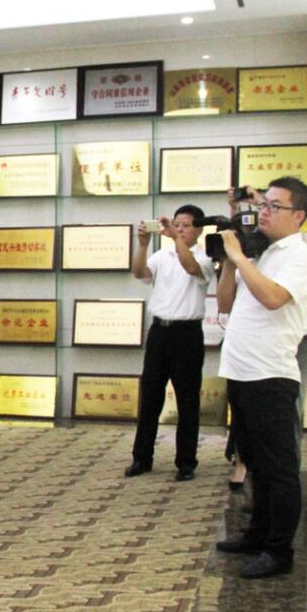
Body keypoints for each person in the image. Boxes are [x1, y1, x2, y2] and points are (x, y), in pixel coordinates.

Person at [214, 177, 307, 579]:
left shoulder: (301, 255)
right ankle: (257, 535)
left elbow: (274, 298)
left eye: (275, 206)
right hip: (241, 371)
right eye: (264, 204)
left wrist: (239, 258)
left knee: (279, 467)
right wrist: (229, 262)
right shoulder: (263, 252)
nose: (265, 212)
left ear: (299, 215)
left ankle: (278, 550)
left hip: (270, 374)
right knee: (254, 461)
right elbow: (225, 304)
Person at [124, 206, 215, 482]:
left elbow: (191, 268)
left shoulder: (205, 257)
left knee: (187, 400)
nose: (181, 229)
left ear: (199, 230)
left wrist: (175, 238)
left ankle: (186, 462)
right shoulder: (161, 255)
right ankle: (142, 458)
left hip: (187, 334)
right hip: (159, 332)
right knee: (150, 396)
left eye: (186, 225)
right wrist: (143, 244)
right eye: (177, 224)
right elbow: (139, 273)